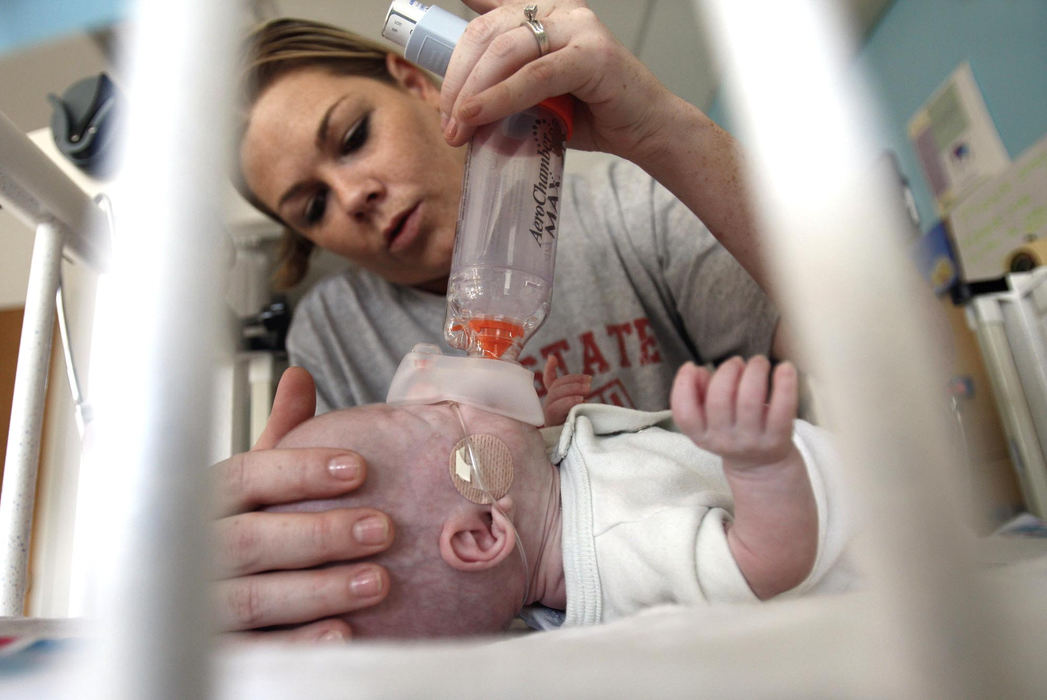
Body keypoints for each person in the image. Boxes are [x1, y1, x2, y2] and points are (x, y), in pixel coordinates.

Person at [217, 0, 795, 640]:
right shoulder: (331, 332)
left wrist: (665, 134)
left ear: (415, 81)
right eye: (314, 205)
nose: (354, 197)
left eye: (353, 139)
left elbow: (903, 363)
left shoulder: (626, 211)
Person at [267, 355, 850, 639]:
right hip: (860, 531)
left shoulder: (544, 505)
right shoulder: (614, 555)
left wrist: (535, 429)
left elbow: (523, 479)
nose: (458, 395)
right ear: (483, 534)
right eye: (451, 419)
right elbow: (766, 566)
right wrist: (758, 464)